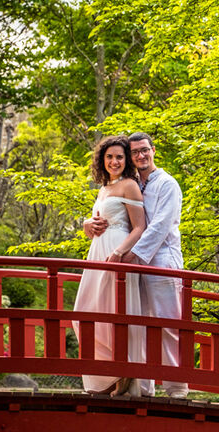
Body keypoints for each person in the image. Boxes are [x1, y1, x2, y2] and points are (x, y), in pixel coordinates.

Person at [86, 132, 187, 399]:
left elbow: (159, 228)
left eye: (145, 150)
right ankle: (142, 387)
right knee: (136, 324)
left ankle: (176, 390)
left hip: (161, 262)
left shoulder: (167, 184)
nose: (140, 156)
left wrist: (129, 255)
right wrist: (88, 224)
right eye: (135, 152)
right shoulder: (132, 183)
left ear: (153, 151)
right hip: (133, 267)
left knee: (166, 324)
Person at [75, 135, 147, 397]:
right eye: (109, 157)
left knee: (115, 310)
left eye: (119, 156)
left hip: (117, 251)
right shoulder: (104, 188)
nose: (114, 161)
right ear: (102, 160)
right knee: (85, 311)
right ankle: (104, 375)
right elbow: (95, 225)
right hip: (97, 252)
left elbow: (140, 227)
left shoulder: (129, 185)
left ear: (126, 160)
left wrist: (119, 252)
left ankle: (123, 375)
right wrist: (86, 224)